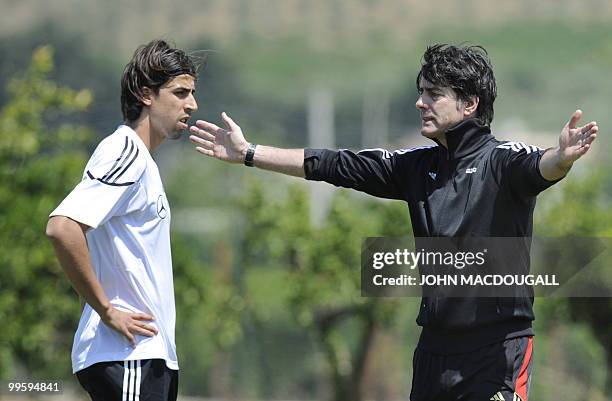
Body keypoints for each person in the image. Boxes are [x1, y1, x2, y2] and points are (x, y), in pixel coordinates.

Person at [188, 44, 598, 401]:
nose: (421, 102)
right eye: (421, 93)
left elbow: (540, 168)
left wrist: (561, 157)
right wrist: (249, 153)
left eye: (434, 95)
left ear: (469, 104)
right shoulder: (416, 167)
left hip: (498, 350)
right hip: (435, 353)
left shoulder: (502, 160)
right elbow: (335, 164)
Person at [46, 39, 198, 401]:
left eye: (192, 93)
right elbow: (62, 227)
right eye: (180, 93)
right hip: (127, 354)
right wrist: (107, 311)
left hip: (145, 356)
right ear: (146, 94)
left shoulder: (143, 162)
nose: (192, 104)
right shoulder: (126, 151)